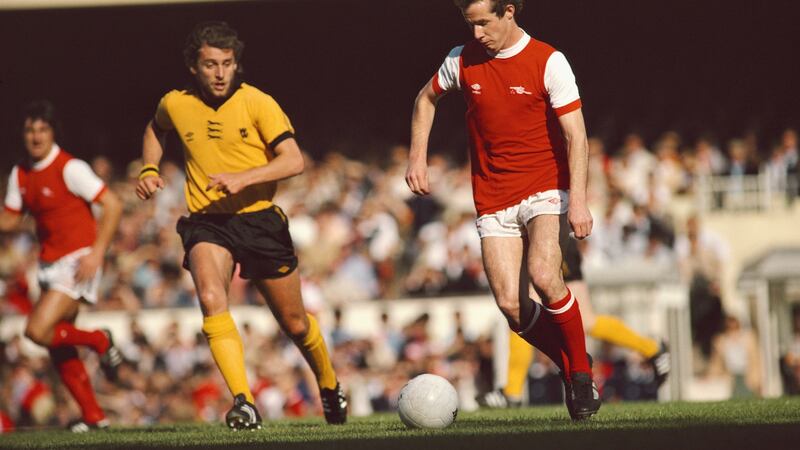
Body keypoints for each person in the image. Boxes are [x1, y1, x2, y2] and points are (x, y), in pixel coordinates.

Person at [136, 21, 346, 429]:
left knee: (296, 324)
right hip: (207, 223)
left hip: (260, 221)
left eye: (227, 64)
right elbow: (154, 128)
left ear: (236, 65)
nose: (219, 73)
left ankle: (329, 381)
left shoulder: (258, 103)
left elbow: (294, 160)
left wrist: (244, 177)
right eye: (210, 64)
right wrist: (148, 167)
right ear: (193, 67)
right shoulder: (175, 103)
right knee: (212, 298)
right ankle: (244, 401)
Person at [406, 0, 600, 420]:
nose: (476, 34)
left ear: (509, 11)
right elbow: (425, 100)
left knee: (545, 276)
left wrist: (579, 200)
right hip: (492, 195)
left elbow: (577, 138)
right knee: (512, 307)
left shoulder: (549, 61)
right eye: (469, 24)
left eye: (483, 23)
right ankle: (572, 367)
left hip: (546, 187)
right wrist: (417, 157)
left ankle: (581, 377)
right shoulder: (461, 60)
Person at [0, 100, 124, 432]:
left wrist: (97, 253)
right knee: (59, 346)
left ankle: (100, 340)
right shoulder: (21, 172)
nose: (36, 136)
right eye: (30, 129)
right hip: (48, 264)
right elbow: (11, 217)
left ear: (53, 132)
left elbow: (112, 204)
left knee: (36, 331)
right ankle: (95, 417)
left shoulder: (70, 167)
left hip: (78, 259)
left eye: (43, 129)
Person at [484, 235, 670, 407]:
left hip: (545, 237)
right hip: (550, 237)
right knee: (583, 320)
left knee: (523, 309)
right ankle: (652, 348)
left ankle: (512, 394)